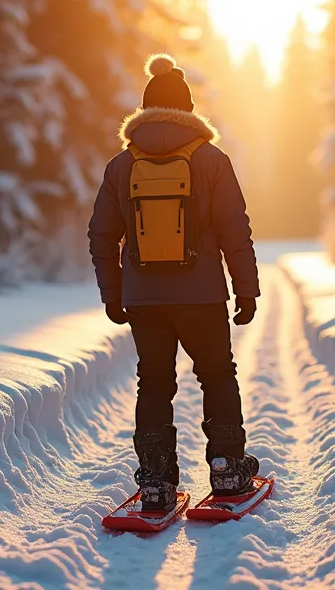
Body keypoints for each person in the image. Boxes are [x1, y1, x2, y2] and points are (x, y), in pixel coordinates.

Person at [88, 53, 262, 511]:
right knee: (218, 375)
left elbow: (102, 235)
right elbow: (234, 228)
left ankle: (156, 482)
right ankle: (226, 470)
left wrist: (114, 292)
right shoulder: (210, 159)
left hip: (145, 299)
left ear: (144, 112)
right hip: (202, 295)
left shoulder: (120, 166)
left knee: (154, 383)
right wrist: (246, 288)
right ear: (187, 111)